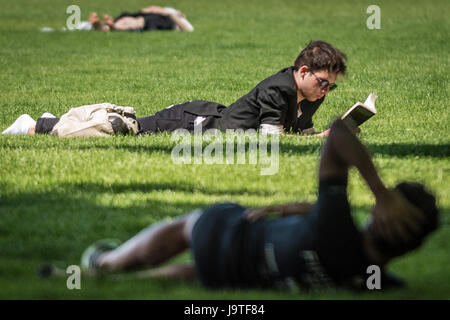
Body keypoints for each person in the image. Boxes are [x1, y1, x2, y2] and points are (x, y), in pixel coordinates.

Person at [79, 119, 439, 290]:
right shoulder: (376, 285)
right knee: (205, 272)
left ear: (386, 212)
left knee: (193, 224)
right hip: (235, 278)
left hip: (227, 237)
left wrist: (380, 190)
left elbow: (340, 133)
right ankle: (131, 282)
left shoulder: (337, 225)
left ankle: (105, 263)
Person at [3, 41, 345, 137]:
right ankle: (34, 125)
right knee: (127, 130)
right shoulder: (280, 89)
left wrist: (328, 132)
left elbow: (300, 134)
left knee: (129, 126)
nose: (326, 90)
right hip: (191, 121)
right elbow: (273, 141)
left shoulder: (307, 94)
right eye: (323, 82)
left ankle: (50, 120)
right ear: (303, 71)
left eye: (330, 86)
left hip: (206, 116)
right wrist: (324, 140)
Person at [88, 6, 194, 32]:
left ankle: (110, 26)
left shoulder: (173, 17)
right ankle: (108, 25)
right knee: (128, 18)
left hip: (150, 20)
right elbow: (149, 8)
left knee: (136, 21)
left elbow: (188, 29)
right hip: (144, 15)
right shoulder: (169, 11)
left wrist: (171, 14)